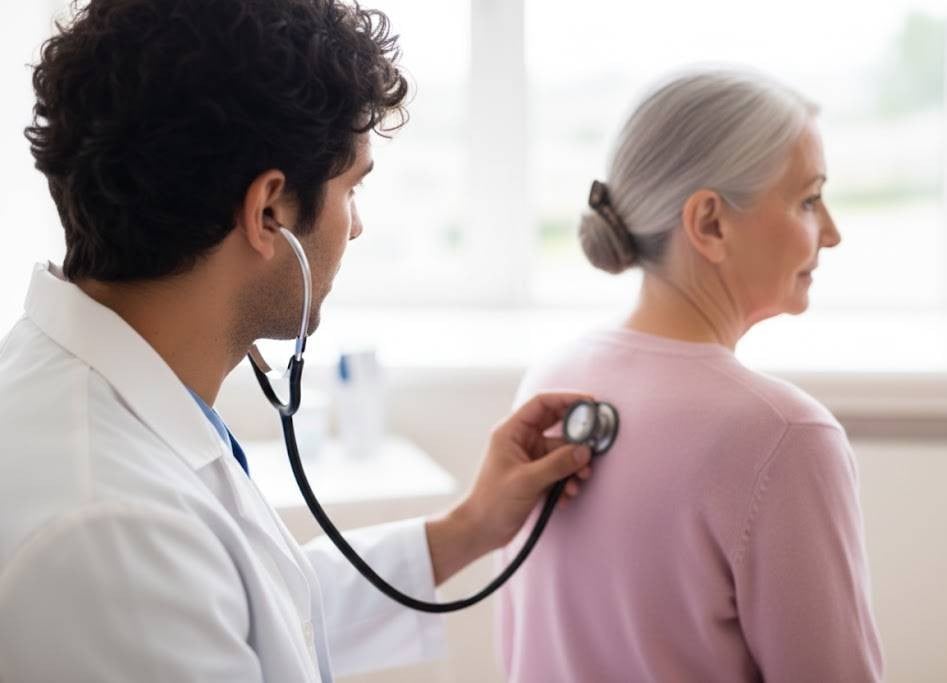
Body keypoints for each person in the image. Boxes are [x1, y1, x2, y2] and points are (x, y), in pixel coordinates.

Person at [0, 2, 597, 681]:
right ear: (269, 211)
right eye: (352, 187)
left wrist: (469, 527)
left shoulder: (96, 404)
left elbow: (256, 612)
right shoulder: (108, 530)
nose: (357, 227)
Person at [497, 70, 884, 682]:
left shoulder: (552, 379)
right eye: (808, 200)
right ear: (709, 223)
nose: (831, 233)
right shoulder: (784, 436)